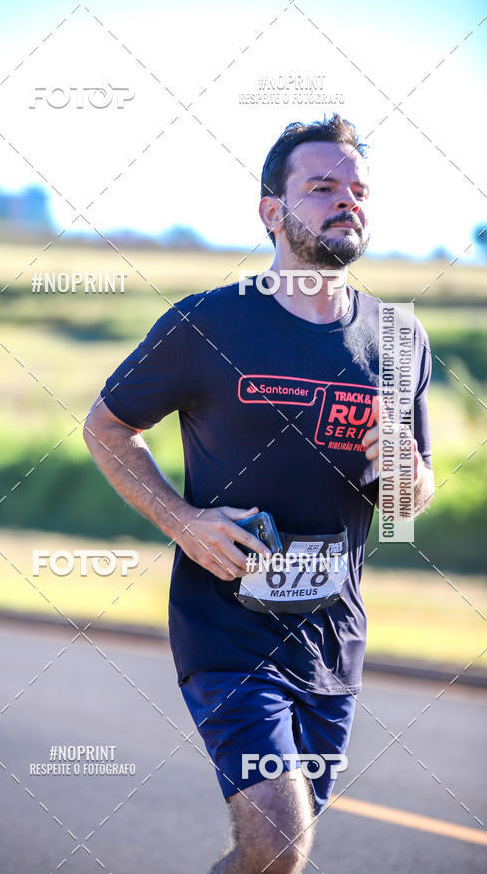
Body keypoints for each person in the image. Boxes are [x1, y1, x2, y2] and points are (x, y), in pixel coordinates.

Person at [83, 113, 434, 873]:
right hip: (226, 626)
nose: (348, 201)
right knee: (280, 836)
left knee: (269, 858)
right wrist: (184, 521)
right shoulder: (210, 323)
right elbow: (107, 428)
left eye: (358, 190)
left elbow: (411, 492)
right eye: (322, 187)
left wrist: (408, 478)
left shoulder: (400, 339)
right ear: (271, 211)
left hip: (332, 634)